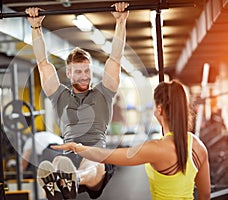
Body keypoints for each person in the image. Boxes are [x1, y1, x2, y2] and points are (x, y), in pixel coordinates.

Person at [26, 2, 129, 199]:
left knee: (92, 163)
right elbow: (43, 63)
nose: (84, 76)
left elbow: (115, 58)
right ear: (69, 73)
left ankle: (73, 180)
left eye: (87, 71)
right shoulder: (60, 95)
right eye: (78, 72)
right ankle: (59, 185)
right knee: (55, 164)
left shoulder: (103, 93)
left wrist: (121, 22)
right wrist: (35, 27)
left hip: (94, 157)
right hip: (69, 157)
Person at [52, 80, 211, 200]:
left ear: (159, 110)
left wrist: (78, 148)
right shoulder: (199, 146)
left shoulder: (156, 148)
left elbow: (107, 156)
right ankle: (77, 177)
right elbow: (205, 196)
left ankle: (77, 177)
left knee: (101, 165)